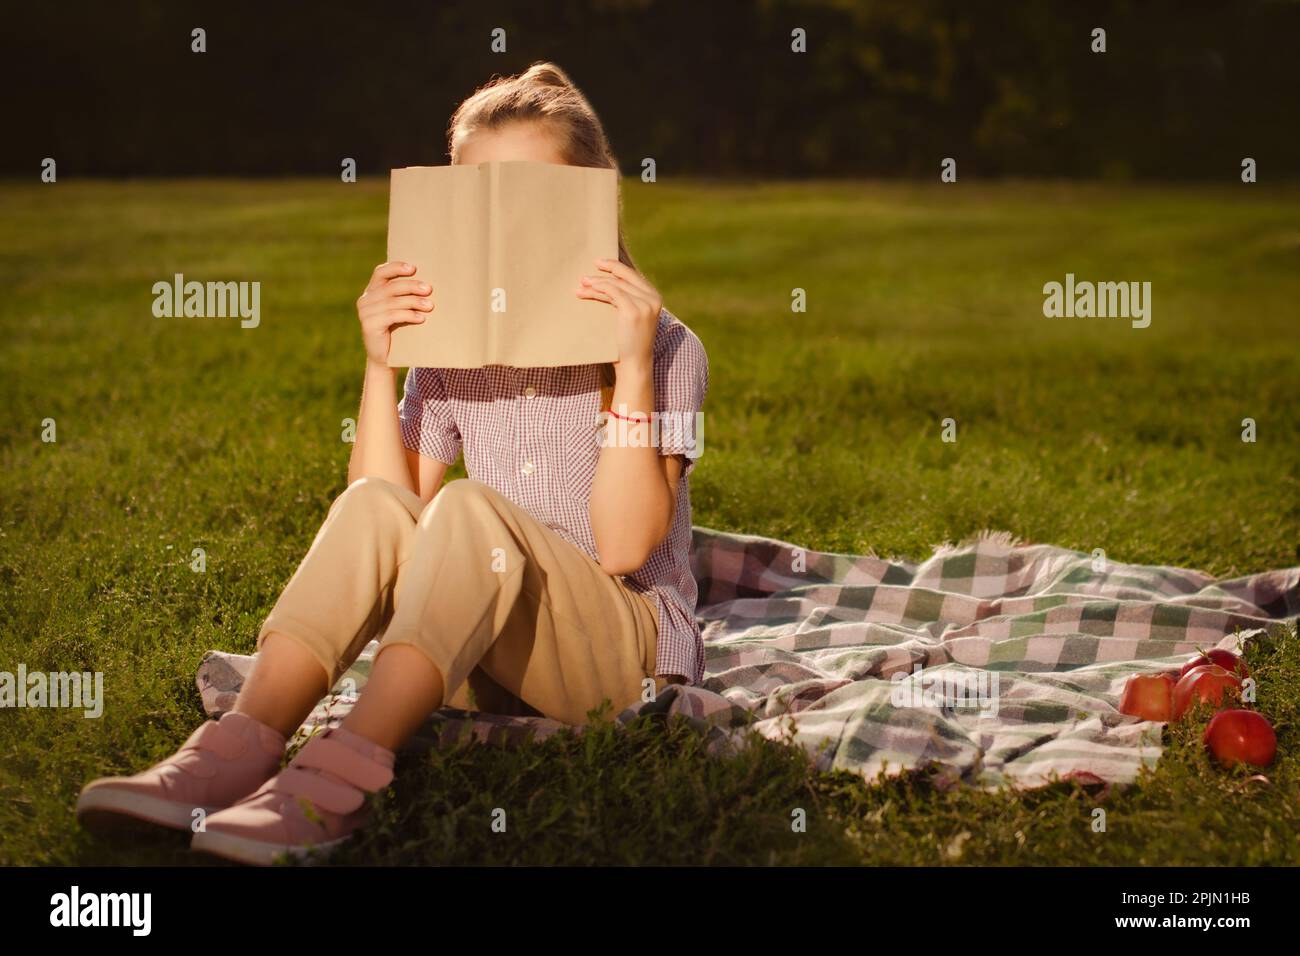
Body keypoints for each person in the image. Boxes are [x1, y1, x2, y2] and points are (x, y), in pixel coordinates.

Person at [75, 62, 709, 865]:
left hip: (621, 655)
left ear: (591, 204)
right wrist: (382, 364)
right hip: (477, 644)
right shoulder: (451, 354)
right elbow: (379, 510)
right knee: (385, 507)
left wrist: (630, 368)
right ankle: (236, 747)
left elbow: (622, 548)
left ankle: (336, 779)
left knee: (472, 509)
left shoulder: (670, 349)